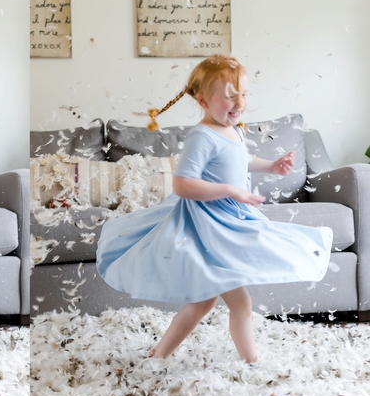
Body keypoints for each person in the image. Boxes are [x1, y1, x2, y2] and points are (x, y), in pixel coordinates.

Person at [96, 55, 332, 363]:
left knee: (204, 302)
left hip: (229, 222)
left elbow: (241, 160)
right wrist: (231, 191)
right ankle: (251, 362)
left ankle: (160, 354)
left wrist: (272, 166)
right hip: (208, 227)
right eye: (230, 95)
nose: (239, 102)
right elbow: (182, 185)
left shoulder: (233, 130)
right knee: (237, 303)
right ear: (202, 99)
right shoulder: (201, 136)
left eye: (244, 94)